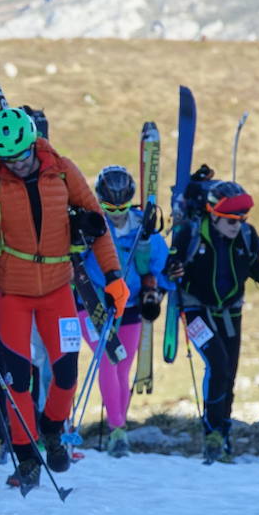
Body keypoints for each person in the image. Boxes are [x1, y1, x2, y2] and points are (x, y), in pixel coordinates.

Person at [0, 108, 127, 490]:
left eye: (21, 156)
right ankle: (26, 455)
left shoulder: (63, 170)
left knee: (66, 372)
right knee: (18, 378)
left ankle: (52, 429)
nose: (16, 165)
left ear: (33, 145)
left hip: (57, 289)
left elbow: (98, 224)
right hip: (13, 292)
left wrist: (114, 276)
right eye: (8, 159)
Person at [167, 181, 259, 463]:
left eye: (242, 218)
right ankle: (212, 432)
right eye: (231, 219)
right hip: (195, 312)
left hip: (231, 312)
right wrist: (173, 270)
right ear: (213, 214)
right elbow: (171, 266)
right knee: (217, 364)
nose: (237, 224)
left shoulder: (247, 237)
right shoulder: (191, 235)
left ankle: (222, 434)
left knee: (228, 373)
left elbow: (256, 270)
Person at [78, 165, 174, 457]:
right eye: (108, 206)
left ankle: (118, 428)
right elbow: (74, 258)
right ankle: (118, 430)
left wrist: (157, 291)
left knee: (123, 367)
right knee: (108, 361)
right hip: (94, 303)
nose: (116, 213)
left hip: (130, 306)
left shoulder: (142, 229)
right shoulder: (92, 225)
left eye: (121, 206)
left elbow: (160, 266)